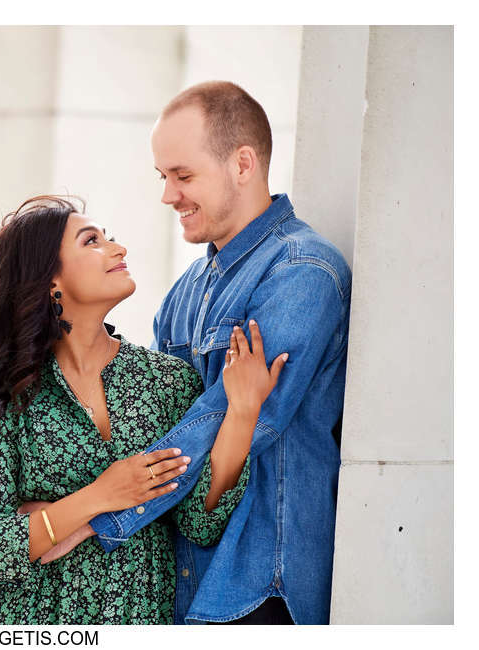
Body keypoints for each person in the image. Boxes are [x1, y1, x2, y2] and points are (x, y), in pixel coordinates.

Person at [68, 81, 352, 624]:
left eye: (183, 175)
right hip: (181, 587)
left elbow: (224, 421)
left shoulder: (302, 273)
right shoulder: (184, 292)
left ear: (243, 164)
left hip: (259, 583)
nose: (168, 195)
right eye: (163, 176)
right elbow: (149, 423)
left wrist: (97, 515)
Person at [0, 195, 287, 624]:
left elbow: (200, 524)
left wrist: (244, 413)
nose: (118, 249)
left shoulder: (167, 382)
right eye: (91, 241)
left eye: (110, 239)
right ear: (50, 281)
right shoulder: (5, 398)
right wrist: (98, 497)